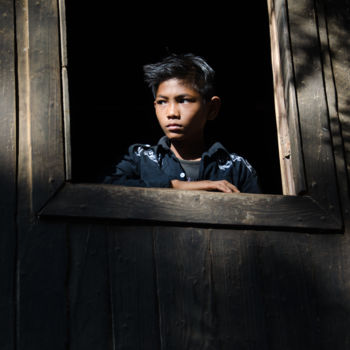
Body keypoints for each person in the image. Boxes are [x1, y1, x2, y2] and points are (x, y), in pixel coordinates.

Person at [104, 53, 260, 193]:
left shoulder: (235, 167)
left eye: (184, 100)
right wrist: (176, 185)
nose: (171, 113)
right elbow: (105, 188)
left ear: (212, 108)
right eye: (162, 102)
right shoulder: (139, 158)